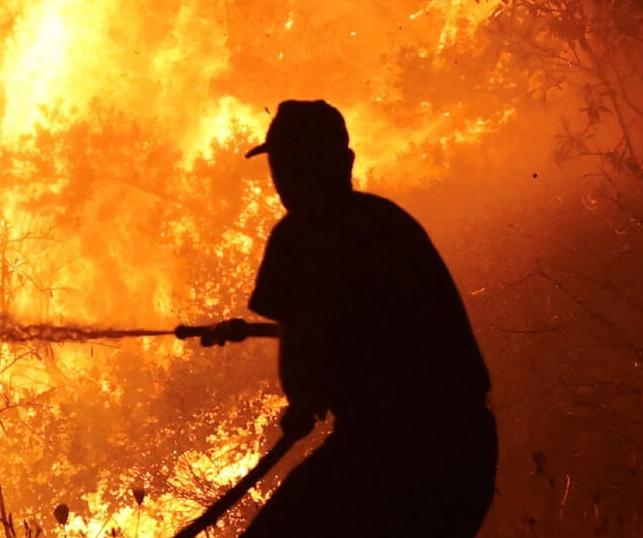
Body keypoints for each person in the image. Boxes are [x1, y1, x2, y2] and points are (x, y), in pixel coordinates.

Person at [203, 100, 497, 538]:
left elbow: (306, 355)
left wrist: (302, 399)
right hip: (466, 455)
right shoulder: (388, 222)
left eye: (293, 162)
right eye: (281, 163)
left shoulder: (300, 235)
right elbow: (361, 327)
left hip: (392, 454)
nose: (282, 177)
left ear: (340, 162)